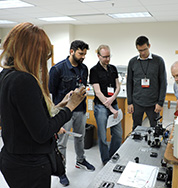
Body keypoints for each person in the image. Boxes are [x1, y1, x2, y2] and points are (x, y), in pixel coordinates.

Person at [0, 22, 86, 188]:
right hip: (29, 165)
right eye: (41, 57)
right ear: (31, 53)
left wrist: (61, 105)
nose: (41, 63)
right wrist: (70, 107)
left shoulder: (7, 75)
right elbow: (42, 132)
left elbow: (28, 116)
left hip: (13, 157)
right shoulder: (24, 80)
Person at [49, 40, 95, 186]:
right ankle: (61, 171)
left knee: (80, 137)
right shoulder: (57, 69)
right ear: (72, 51)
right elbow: (51, 94)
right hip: (64, 111)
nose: (83, 57)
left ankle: (80, 160)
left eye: (85, 54)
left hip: (80, 110)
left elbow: (84, 86)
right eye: (81, 53)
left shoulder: (84, 68)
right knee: (62, 142)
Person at [89, 45, 122, 165]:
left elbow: (117, 86)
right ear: (98, 56)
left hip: (113, 103)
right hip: (101, 106)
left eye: (109, 56)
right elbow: (97, 92)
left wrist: (113, 98)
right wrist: (110, 107)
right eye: (104, 57)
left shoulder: (113, 68)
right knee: (102, 136)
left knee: (118, 134)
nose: (107, 59)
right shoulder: (94, 70)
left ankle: (112, 155)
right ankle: (105, 160)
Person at [127, 36, 167, 130]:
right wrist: (130, 102)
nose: (143, 53)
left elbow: (163, 83)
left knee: (155, 128)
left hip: (153, 103)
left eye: (144, 49)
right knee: (136, 128)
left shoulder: (158, 61)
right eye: (140, 50)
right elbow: (129, 83)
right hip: (137, 102)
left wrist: (160, 102)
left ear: (149, 46)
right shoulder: (133, 62)